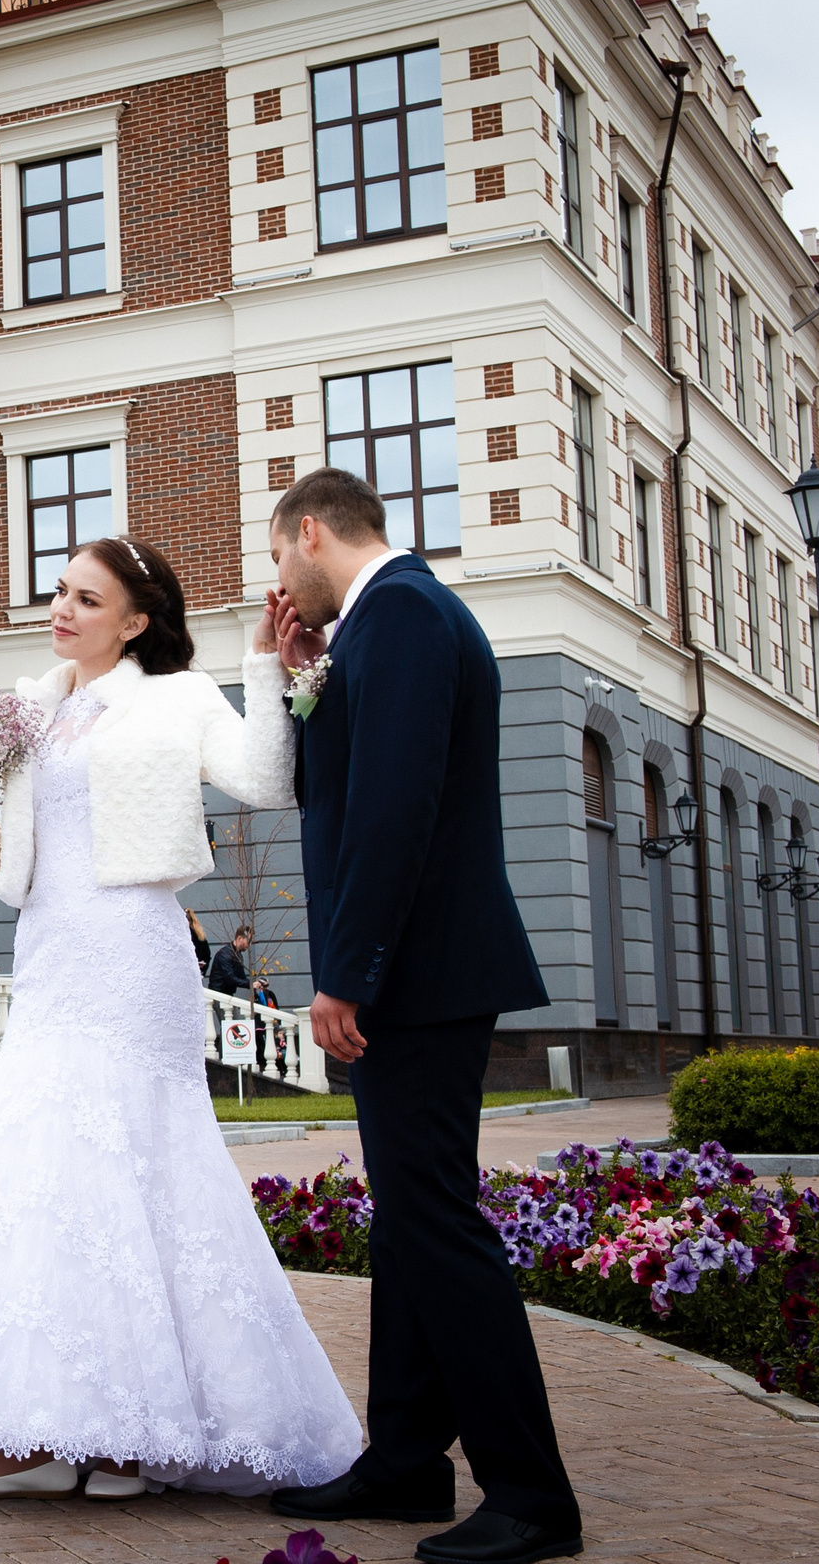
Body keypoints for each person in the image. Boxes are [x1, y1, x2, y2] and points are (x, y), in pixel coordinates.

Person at [0, 536, 361, 1503]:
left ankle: (86, 1444)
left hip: (132, 958)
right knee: (49, 1182)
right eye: (61, 591)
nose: (62, 610)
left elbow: (268, 782)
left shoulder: (179, 696)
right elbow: (29, 872)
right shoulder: (33, 705)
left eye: (88, 599)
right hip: (50, 955)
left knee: (125, 1175)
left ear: (137, 620)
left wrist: (261, 668)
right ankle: (84, 1435)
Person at [262, 469, 582, 1564]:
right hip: (424, 971)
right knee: (408, 1220)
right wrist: (307, 679)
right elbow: (341, 787)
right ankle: (404, 1460)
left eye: (278, 557)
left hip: (418, 974)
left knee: (436, 1224)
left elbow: (395, 810)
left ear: (310, 532)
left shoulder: (399, 613)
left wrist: (348, 972)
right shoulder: (389, 621)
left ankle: (531, 1495)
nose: (279, 581)